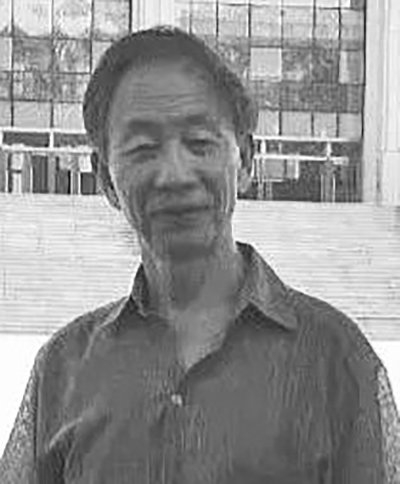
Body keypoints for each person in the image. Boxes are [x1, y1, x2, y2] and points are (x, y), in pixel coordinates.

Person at [1, 26, 399, 484]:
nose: (175, 174)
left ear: (245, 159)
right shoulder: (63, 369)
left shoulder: (336, 359)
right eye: (143, 149)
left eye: (199, 143)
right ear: (106, 178)